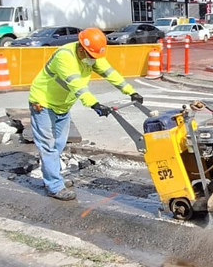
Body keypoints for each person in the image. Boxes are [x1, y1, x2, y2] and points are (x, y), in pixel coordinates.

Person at [27, 27, 142, 201]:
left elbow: (110, 73)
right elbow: (77, 86)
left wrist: (130, 91)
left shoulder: (91, 56)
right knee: (48, 146)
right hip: (42, 104)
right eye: (91, 56)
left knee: (58, 144)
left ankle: (53, 178)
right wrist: (94, 104)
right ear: (81, 48)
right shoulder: (64, 56)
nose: (94, 60)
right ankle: (54, 185)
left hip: (62, 106)